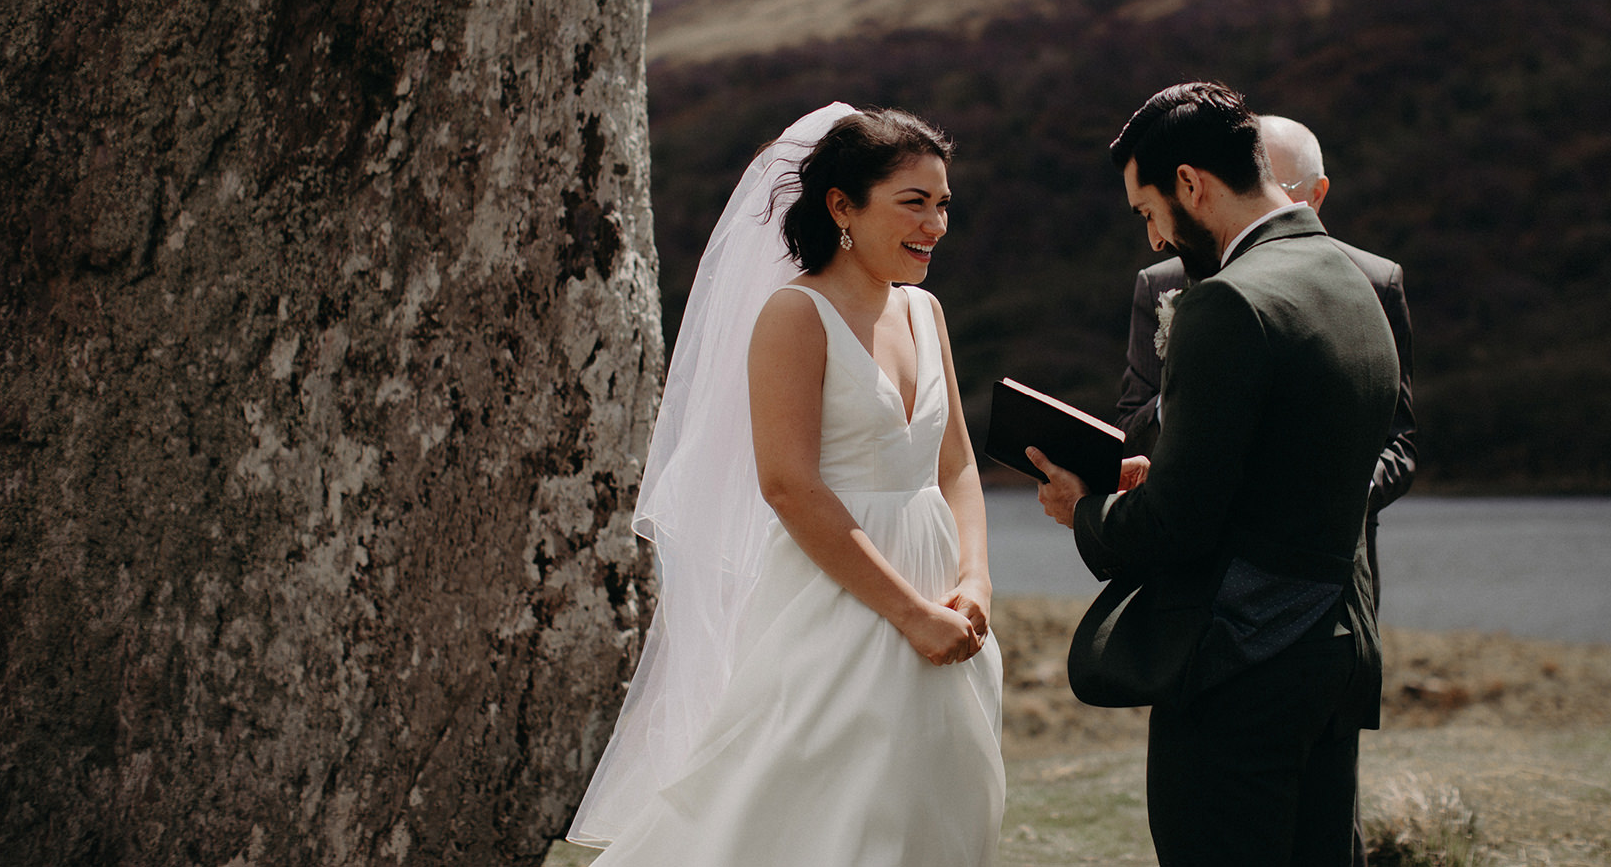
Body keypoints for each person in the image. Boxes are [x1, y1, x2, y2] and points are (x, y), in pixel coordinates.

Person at [569, 103, 1004, 867]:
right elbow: (789, 486)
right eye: (913, 203)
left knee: (937, 799)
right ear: (842, 206)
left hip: (944, 590)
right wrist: (910, 615)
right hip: (840, 595)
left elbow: (958, 465)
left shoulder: (926, 312)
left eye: (943, 204)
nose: (935, 224)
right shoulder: (795, 314)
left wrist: (974, 581)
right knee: (819, 801)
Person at [1030, 82, 1398, 866]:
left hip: (1243, 664)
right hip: (1336, 651)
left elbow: (1175, 525)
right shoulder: (1352, 280)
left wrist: (1084, 508)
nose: (1157, 238)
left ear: (1191, 183)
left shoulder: (1227, 303)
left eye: (1147, 210)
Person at [1114, 114, 1418, 611]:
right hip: (1199, 583)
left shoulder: (1374, 280)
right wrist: (1186, 400)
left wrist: (1335, 495)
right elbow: (1130, 423)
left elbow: (1398, 440)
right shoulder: (1163, 281)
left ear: (1316, 195)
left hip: (1335, 573)